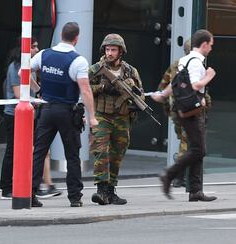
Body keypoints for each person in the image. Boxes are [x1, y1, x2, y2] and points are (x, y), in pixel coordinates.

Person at [30, 22, 98, 207]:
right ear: (77, 38)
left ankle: (31, 194)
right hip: (67, 111)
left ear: (61, 34)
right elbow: (85, 90)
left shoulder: (44, 54)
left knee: (39, 152)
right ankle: (75, 198)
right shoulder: (78, 61)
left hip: (46, 110)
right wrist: (92, 116)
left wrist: (38, 91)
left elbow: (24, 71)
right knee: (72, 155)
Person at [152, 29, 217, 202]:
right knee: (198, 150)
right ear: (204, 45)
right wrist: (209, 76)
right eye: (210, 45)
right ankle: (169, 174)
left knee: (197, 149)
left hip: (185, 109)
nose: (211, 48)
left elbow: (176, 84)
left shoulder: (184, 60)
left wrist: (162, 95)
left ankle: (196, 191)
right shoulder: (196, 62)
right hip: (192, 111)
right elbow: (196, 85)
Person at [0, 38, 62, 200]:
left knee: (39, 149)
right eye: (33, 46)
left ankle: (41, 184)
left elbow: (33, 85)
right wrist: (37, 101)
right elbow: (18, 94)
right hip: (15, 115)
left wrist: (41, 93)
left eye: (36, 46)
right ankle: (6, 188)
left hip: (30, 114)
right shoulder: (16, 68)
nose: (36, 49)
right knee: (13, 151)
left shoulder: (30, 67)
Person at [88, 33, 144, 205]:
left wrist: (134, 96)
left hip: (122, 118)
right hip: (101, 116)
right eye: (107, 49)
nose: (110, 53)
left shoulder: (130, 71)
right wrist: (102, 87)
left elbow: (141, 94)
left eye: (113, 49)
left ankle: (111, 190)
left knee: (117, 154)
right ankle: (101, 189)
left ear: (121, 51)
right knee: (101, 151)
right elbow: (83, 90)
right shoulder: (95, 69)